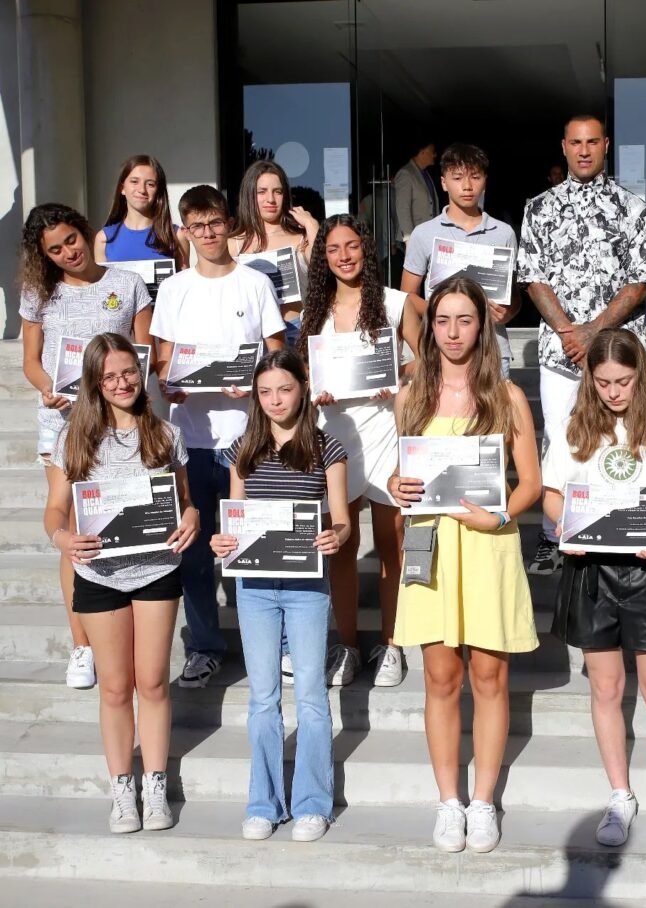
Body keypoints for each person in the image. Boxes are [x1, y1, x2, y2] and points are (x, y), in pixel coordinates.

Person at [543, 328, 646, 848]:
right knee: (606, 689)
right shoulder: (576, 428)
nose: (614, 392)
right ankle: (620, 794)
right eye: (603, 382)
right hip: (592, 571)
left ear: (641, 375)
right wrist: (567, 529)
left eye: (623, 380)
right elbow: (552, 496)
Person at [389, 276, 540, 854]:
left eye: (465, 320)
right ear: (431, 329)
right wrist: (396, 486)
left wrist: (498, 518)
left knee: (489, 676)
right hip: (431, 547)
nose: (453, 332)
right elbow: (396, 479)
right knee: (439, 677)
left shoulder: (507, 397)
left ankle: (483, 801)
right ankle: (448, 802)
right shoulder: (411, 398)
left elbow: (530, 485)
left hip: (486, 543)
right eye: (443, 320)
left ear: (483, 324)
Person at [43, 333, 198, 833]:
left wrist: (192, 516)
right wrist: (63, 539)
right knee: (114, 688)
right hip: (99, 575)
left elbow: (184, 500)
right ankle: (121, 788)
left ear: (142, 370)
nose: (122, 382)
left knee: (152, 682)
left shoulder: (165, 434)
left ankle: (155, 782)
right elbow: (55, 510)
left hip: (156, 570)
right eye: (109, 376)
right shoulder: (73, 437)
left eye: (128, 371)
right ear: (94, 383)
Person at [211, 348, 350, 842]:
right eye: (265, 391)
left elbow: (343, 519)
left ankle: (313, 802)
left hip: (308, 587)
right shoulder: (242, 448)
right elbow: (235, 514)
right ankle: (263, 803)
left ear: (302, 388)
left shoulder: (327, 448)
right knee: (263, 698)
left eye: (284, 389)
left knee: (311, 695)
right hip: (253, 587)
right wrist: (220, 539)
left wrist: (335, 535)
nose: (275, 400)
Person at [150, 185, 286, 689]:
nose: (208, 234)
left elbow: (276, 354)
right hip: (190, 440)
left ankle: (271, 647)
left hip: (247, 439)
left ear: (229, 224)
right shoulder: (174, 289)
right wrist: (170, 384)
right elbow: (162, 358)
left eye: (215, 224)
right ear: (186, 231)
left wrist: (252, 381)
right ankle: (205, 646)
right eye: (197, 226)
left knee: (257, 543)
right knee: (195, 552)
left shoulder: (254, 283)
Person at [518, 114, 646, 576]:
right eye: (575, 143)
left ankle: (622, 522)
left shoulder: (633, 207)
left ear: (606, 145)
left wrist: (594, 331)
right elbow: (532, 277)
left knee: (623, 437)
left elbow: (640, 282)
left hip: (618, 353)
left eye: (592, 142)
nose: (583, 150)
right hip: (559, 353)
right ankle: (551, 535)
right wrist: (568, 332)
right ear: (563, 146)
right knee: (557, 441)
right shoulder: (538, 208)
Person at [19, 203, 154, 690]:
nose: (67, 253)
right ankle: (82, 645)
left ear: (85, 232)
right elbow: (32, 361)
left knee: (117, 515)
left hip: (121, 421)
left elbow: (144, 355)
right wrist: (47, 389)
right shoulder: (40, 292)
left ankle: (126, 628)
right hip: (63, 421)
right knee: (73, 526)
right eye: (54, 250)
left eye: (71, 241)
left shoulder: (127, 283)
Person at [298, 214, 421, 688]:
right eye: (333, 249)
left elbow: (426, 360)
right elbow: (305, 376)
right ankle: (347, 644)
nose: (344, 256)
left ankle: (391, 645)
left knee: (392, 547)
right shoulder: (315, 310)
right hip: (335, 435)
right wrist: (315, 390)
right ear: (323, 257)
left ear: (366, 250)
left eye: (352, 246)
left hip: (385, 429)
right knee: (342, 548)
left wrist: (394, 377)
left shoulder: (395, 303)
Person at [401, 143, 521, 378]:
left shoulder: (504, 232)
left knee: (494, 415)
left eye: (475, 177)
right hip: (443, 351)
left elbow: (513, 295)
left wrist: (508, 313)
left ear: (485, 180)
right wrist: (447, 314)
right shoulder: (424, 234)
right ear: (444, 182)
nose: (467, 186)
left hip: (492, 352)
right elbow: (407, 296)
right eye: (457, 178)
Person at [230, 161, 320, 346]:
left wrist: (313, 226)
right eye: (261, 191)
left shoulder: (300, 238)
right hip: (251, 335)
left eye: (277, 192)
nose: (270, 199)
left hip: (294, 331)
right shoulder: (234, 243)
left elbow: (322, 268)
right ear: (249, 195)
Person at [94, 154, 189, 271]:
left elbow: (184, 285)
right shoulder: (104, 239)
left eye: (150, 184)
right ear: (122, 188)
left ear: (158, 192)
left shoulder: (176, 236)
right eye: (134, 181)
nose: (142, 190)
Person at [393, 140, 439, 243]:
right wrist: (408, 238)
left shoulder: (426, 174)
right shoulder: (406, 173)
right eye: (432, 151)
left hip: (428, 236)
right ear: (422, 152)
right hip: (414, 238)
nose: (435, 155)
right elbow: (403, 207)